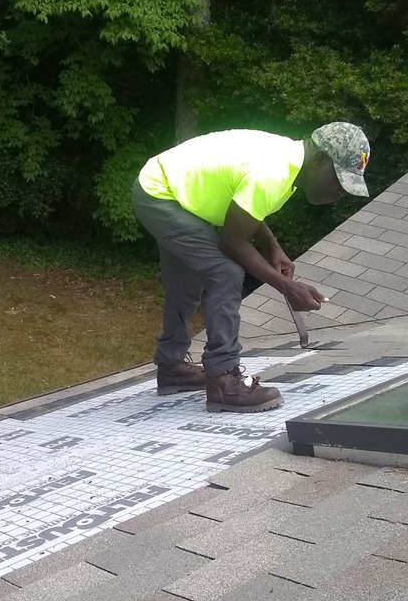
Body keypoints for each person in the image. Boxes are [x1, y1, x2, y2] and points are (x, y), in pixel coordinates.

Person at [131, 122, 370, 413]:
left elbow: (245, 207)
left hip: (172, 189)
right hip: (161, 194)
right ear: (320, 159)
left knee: (186, 284)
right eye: (339, 181)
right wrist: (287, 287)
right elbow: (232, 241)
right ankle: (223, 379)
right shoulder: (274, 172)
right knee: (226, 273)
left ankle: (171, 367)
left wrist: (272, 247)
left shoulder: (289, 162)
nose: (340, 192)